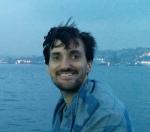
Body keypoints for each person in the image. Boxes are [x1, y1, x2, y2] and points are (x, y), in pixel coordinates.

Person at [42, 21, 133, 132]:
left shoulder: (105, 115)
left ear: (89, 65)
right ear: (47, 67)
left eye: (75, 56)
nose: (65, 65)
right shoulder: (64, 106)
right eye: (56, 57)